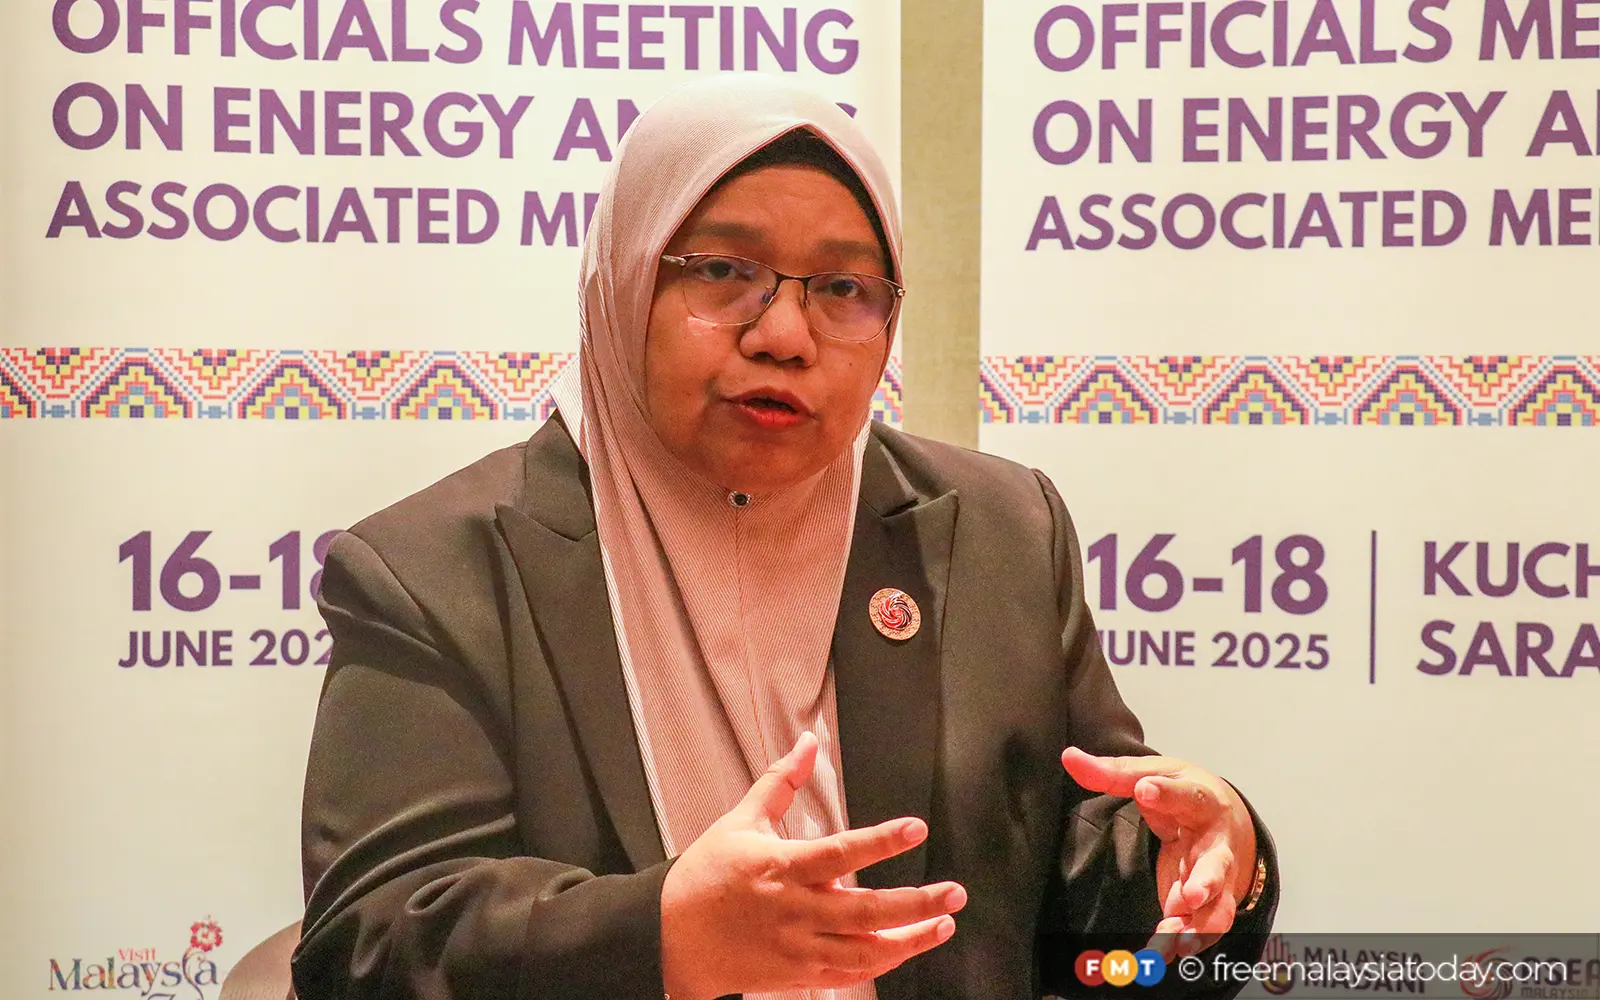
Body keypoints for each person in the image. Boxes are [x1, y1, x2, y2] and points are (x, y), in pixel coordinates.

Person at [290, 76, 1278, 1000]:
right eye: (726, 272)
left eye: (843, 289)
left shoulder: (999, 529)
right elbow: (369, 945)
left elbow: (1080, 883)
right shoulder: (435, 571)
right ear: (624, 281)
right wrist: (667, 933)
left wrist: (1206, 864)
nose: (784, 336)